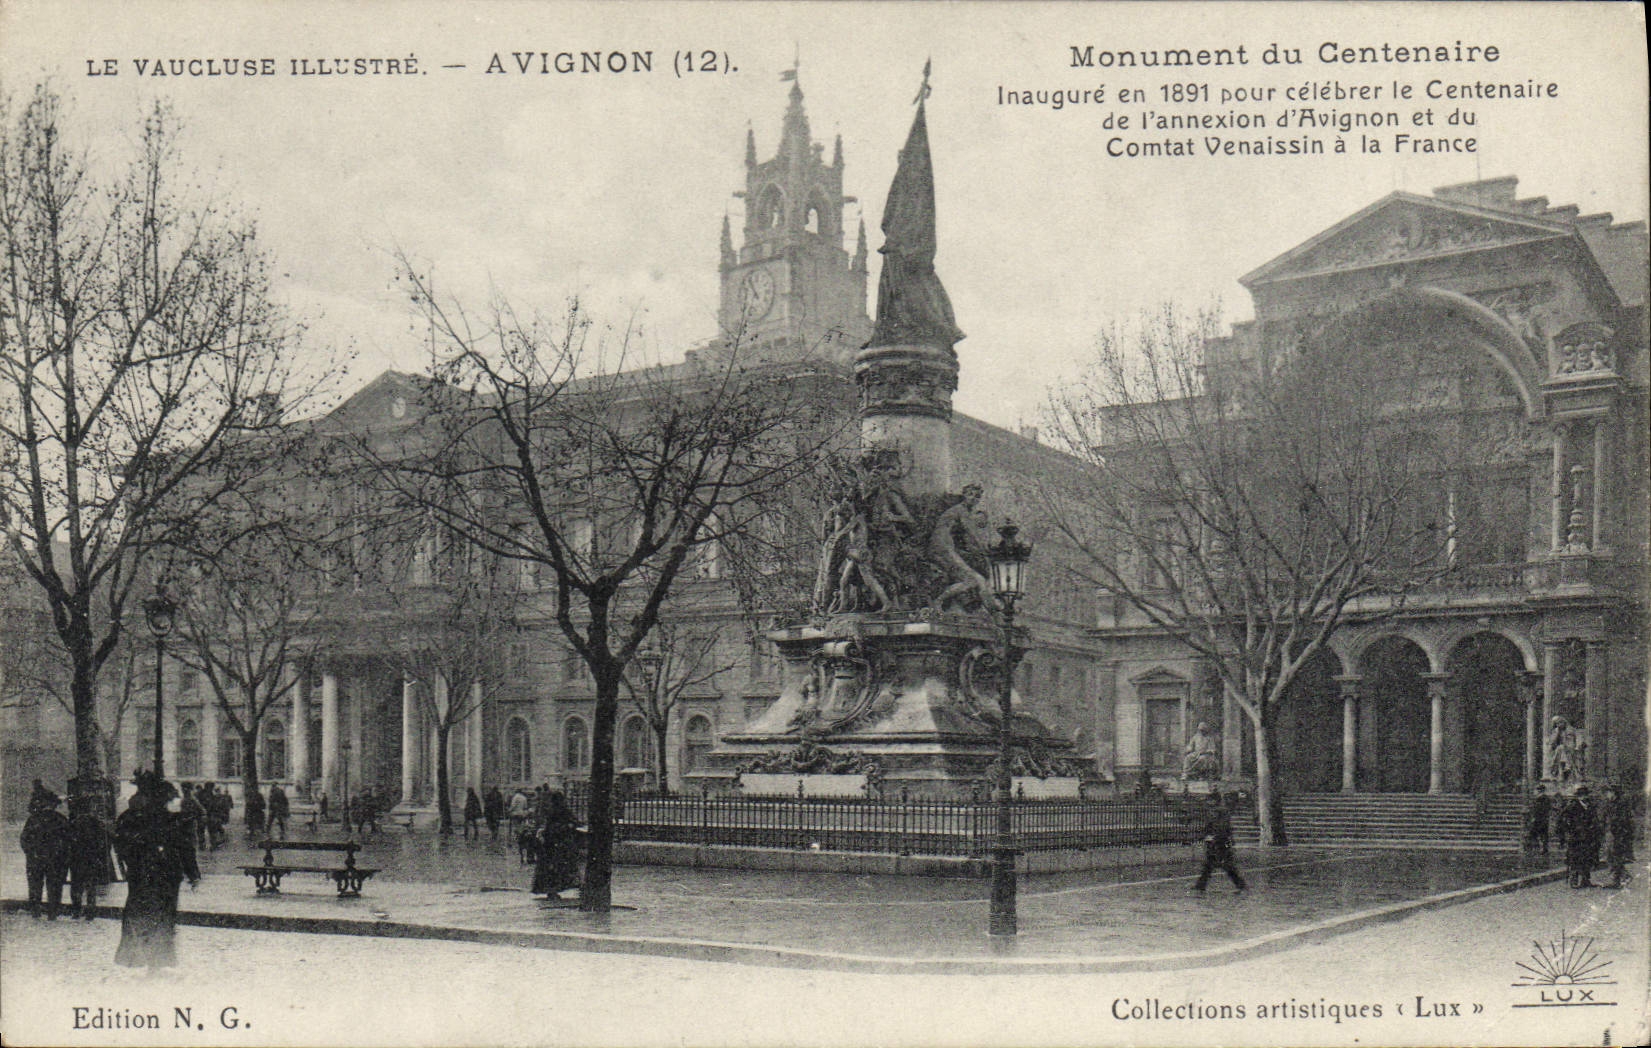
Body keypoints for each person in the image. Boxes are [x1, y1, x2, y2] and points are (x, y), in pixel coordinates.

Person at [113, 771, 200, 968]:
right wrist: (192, 874)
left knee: (141, 913)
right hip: (165, 874)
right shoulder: (170, 819)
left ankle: (140, 957)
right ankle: (156, 958)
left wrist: (130, 863)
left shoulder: (129, 817)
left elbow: (120, 844)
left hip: (141, 874)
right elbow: (184, 847)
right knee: (162, 915)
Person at [20, 785, 72, 919]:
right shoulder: (60, 819)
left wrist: (30, 853)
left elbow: (24, 839)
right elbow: (68, 841)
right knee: (54, 885)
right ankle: (53, 912)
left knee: (35, 885)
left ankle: (35, 910)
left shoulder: (33, 819)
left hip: (36, 858)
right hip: (55, 859)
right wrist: (64, 857)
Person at [1191, 792, 1247, 893]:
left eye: (1209, 800)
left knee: (1224, 865)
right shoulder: (1216, 811)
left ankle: (1240, 884)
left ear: (1214, 801)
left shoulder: (1219, 811)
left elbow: (1221, 827)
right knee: (1211, 864)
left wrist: (1212, 836)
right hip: (1218, 841)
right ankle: (1201, 884)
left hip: (1219, 841)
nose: (1207, 802)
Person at [531, 790, 583, 897]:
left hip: (552, 843)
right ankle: (565, 886)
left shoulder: (552, 811)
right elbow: (576, 822)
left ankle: (552, 889)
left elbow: (549, 827)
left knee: (553, 867)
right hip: (562, 842)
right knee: (565, 866)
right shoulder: (563, 811)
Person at [67, 795, 112, 920]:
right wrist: (102, 856)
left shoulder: (73, 824)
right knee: (91, 886)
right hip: (92, 858)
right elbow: (105, 841)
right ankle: (90, 912)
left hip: (77, 859)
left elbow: (67, 842)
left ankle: (76, 910)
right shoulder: (96, 823)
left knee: (76, 885)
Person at [1560, 787, 1600, 888]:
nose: (1585, 797)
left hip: (1588, 836)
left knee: (1587, 858)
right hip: (1576, 838)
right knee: (1575, 858)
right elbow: (1563, 819)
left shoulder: (1590, 806)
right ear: (1578, 796)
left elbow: (1594, 819)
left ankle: (1585, 880)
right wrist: (1569, 830)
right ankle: (1574, 880)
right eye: (1582, 795)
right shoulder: (1572, 806)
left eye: (1586, 795)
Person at [1602, 784, 1635, 889]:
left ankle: (1617, 879)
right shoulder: (1609, 804)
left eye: (1609, 792)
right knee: (1610, 855)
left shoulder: (1621, 805)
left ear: (1614, 793)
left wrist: (1620, 833)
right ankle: (1622, 876)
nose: (1607, 794)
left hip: (1617, 834)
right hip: (1610, 832)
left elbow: (1624, 821)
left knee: (1614, 855)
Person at [1525, 785, 1552, 856]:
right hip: (1541, 819)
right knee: (1541, 835)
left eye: (1537, 790)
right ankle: (1541, 849)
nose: (1536, 791)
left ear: (1540, 791)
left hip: (1540, 819)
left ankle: (1538, 848)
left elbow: (1541, 809)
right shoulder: (1540, 798)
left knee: (1536, 834)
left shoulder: (1543, 799)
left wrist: (1535, 817)